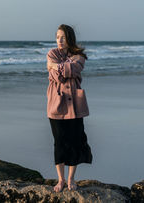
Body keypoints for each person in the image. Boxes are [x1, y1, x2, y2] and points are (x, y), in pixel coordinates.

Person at [46, 24, 93, 192]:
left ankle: (71, 179)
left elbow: (72, 70)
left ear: (70, 39)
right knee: (59, 142)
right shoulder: (51, 53)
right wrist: (59, 68)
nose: (59, 40)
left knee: (74, 141)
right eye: (57, 37)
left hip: (74, 105)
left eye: (63, 37)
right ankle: (60, 180)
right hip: (56, 104)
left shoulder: (79, 56)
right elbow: (58, 76)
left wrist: (55, 66)